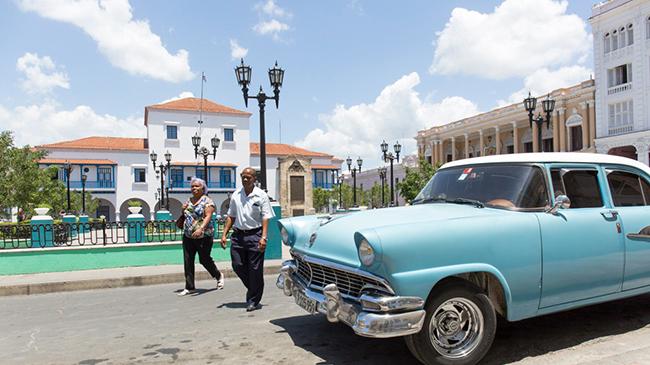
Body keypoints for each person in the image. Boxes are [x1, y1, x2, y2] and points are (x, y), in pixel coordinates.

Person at [220, 167, 274, 311]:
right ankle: (255, 287)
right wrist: (224, 233)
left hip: (255, 234)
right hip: (238, 235)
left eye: (248, 177)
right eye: (243, 177)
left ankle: (253, 300)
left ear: (254, 179)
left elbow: (266, 217)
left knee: (255, 269)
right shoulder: (236, 195)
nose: (245, 179)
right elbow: (231, 216)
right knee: (237, 265)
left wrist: (263, 237)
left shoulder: (261, 195)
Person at [178, 177, 225, 296]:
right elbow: (186, 216)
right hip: (188, 235)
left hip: (204, 235)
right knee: (188, 261)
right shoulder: (188, 201)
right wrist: (182, 211)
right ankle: (190, 286)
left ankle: (218, 275)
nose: (194, 188)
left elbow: (208, 216)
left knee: (204, 259)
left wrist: (201, 228)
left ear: (203, 188)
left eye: (197, 186)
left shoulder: (207, 201)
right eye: (192, 186)